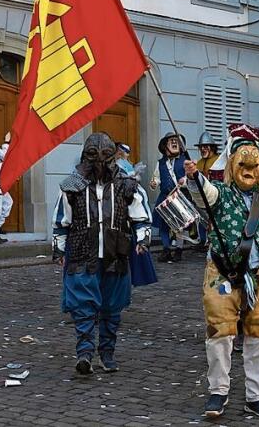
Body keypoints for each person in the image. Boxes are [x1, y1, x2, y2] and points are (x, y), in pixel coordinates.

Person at [184, 124, 259, 419]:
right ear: (232, 165)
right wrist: (195, 177)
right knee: (220, 333)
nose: (249, 168)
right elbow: (203, 193)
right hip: (222, 275)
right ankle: (217, 393)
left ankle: (256, 397)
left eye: (254, 163)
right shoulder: (220, 195)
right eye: (242, 163)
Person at [52, 132, 152, 374]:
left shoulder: (127, 186)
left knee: (111, 307)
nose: (99, 162)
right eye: (93, 156)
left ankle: (106, 353)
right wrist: (59, 249)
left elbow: (141, 217)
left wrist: (142, 240)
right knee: (82, 306)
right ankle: (84, 352)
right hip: (81, 253)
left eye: (105, 156)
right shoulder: (72, 186)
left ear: (112, 157)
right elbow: (61, 221)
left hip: (115, 254)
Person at [149, 132, 187, 263]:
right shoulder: (160, 163)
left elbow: (192, 178)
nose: (174, 142)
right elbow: (156, 178)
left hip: (179, 196)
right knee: (163, 225)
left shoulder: (184, 161)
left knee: (180, 225)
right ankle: (166, 250)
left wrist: (185, 180)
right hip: (165, 197)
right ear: (165, 146)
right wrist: (153, 183)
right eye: (171, 141)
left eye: (176, 141)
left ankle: (179, 250)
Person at [194, 132, 220, 248]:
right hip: (202, 197)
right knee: (201, 219)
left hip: (215, 195)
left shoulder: (219, 160)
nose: (203, 149)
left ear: (212, 147)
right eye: (201, 147)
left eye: (206, 146)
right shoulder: (199, 163)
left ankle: (214, 242)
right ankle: (203, 241)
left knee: (215, 220)